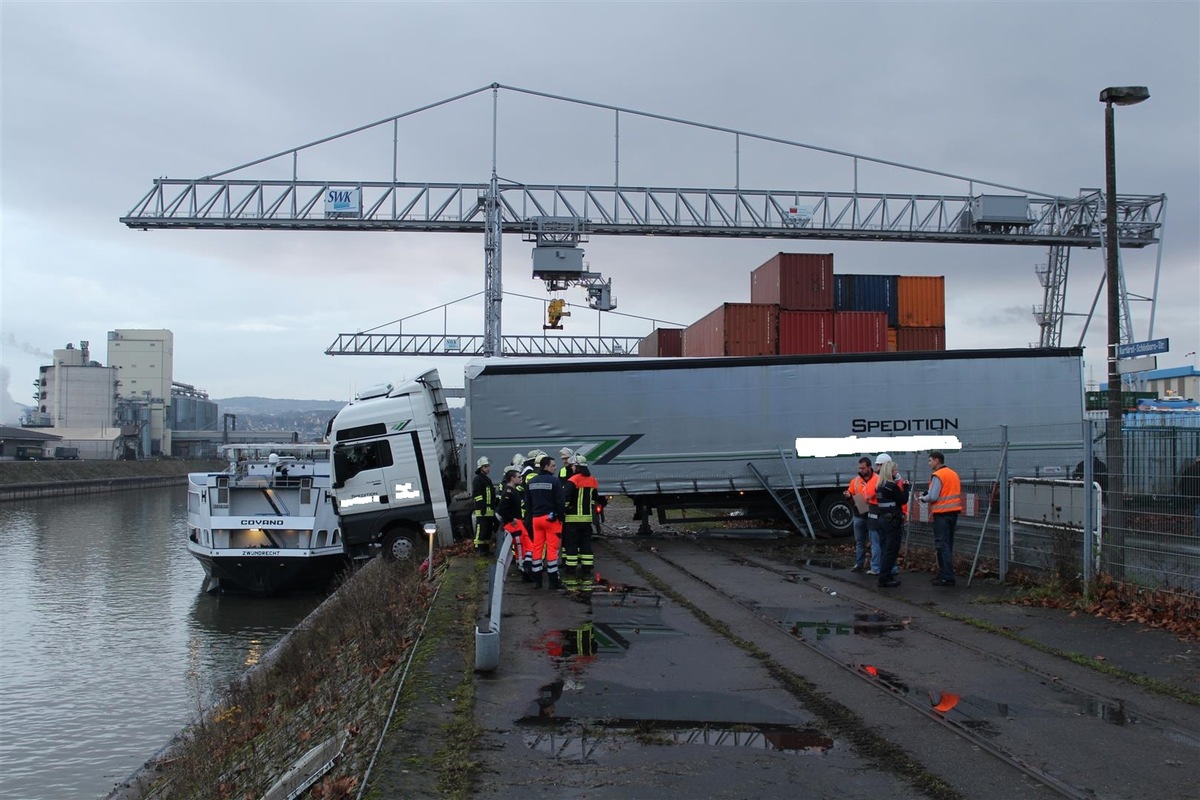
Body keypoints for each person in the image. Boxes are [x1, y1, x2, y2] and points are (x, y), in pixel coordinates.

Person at [919, 450, 963, 586]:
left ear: (937, 460)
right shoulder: (953, 473)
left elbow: (933, 496)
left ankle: (947, 576)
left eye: (930, 460)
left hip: (942, 513)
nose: (929, 463)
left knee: (942, 545)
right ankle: (945, 573)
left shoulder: (938, 475)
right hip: (953, 513)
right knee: (948, 545)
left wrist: (923, 498)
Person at [524, 455, 567, 589]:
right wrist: (561, 518)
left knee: (537, 549)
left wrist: (530, 518)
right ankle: (553, 581)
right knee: (552, 550)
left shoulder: (531, 482)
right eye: (553, 465)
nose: (555, 467)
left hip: (536, 519)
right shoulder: (555, 481)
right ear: (546, 466)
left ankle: (537, 580)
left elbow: (528, 504)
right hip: (551, 519)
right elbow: (560, 502)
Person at [563, 454, 599, 580]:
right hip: (587, 519)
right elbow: (594, 500)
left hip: (572, 519)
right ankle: (587, 568)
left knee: (571, 544)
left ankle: (571, 569)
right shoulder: (593, 480)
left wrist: (565, 509)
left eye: (573, 466)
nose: (572, 468)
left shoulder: (573, 480)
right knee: (586, 544)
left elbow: (565, 498)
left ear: (577, 467)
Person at [874, 459, 908, 588]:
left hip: (882, 519)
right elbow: (903, 499)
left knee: (885, 548)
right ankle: (884, 578)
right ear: (890, 471)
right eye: (895, 470)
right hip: (892, 521)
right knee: (892, 549)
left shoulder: (880, 485)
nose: (897, 472)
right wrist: (906, 487)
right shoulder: (891, 486)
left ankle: (886, 575)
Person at [495, 467, 528, 574]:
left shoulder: (513, 491)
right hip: (513, 524)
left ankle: (521, 564)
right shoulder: (508, 492)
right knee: (519, 545)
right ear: (512, 478)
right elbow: (502, 509)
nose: (520, 479)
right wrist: (511, 519)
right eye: (518, 477)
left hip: (517, 522)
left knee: (521, 545)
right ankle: (521, 566)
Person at [845, 457, 873, 572]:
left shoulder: (876, 479)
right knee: (860, 541)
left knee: (874, 541)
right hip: (859, 514)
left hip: (872, 515)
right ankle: (859, 563)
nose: (861, 470)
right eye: (860, 468)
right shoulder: (855, 481)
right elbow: (850, 494)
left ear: (869, 467)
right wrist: (848, 495)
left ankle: (874, 564)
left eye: (863, 468)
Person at [471, 456, 496, 555]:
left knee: (487, 531)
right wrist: (481, 507)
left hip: (489, 510)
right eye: (486, 467)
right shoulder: (478, 480)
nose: (488, 468)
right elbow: (477, 495)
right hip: (482, 510)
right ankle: (478, 549)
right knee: (481, 530)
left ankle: (485, 549)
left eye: (488, 466)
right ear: (481, 468)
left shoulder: (487, 480)